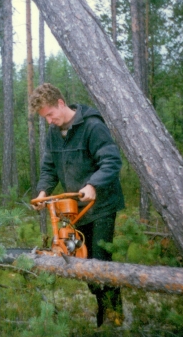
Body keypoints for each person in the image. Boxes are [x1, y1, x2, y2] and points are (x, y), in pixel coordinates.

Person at [29, 83, 125, 327]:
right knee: (79, 260)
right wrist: (43, 192)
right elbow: (49, 167)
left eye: (50, 114)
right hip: (74, 212)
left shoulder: (92, 126)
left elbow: (112, 161)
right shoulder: (53, 134)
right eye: (44, 117)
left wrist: (93, 185)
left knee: (100, 262)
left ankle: (113, 314)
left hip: (102, 207)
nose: (49, 121)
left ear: (61, 103)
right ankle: (103, 304)